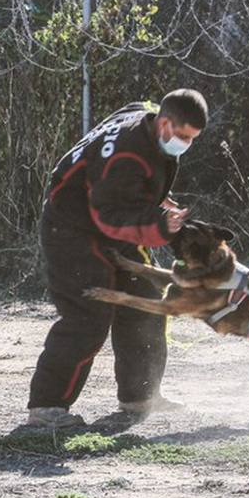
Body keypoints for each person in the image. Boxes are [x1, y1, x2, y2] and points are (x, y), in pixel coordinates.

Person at [25, 89, 208, 428]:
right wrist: (159, 227)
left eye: (193, 139)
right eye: (184, 136)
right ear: (165, 124)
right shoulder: (127, 157)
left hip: (108, 219)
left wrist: (160, 201)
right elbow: (109, 215)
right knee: (88, 313)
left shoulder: (143, 116)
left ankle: (140, 396)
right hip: (72, 230)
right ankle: (47, 407)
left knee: (146, 300)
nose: (187, 144)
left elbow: (123, 182)